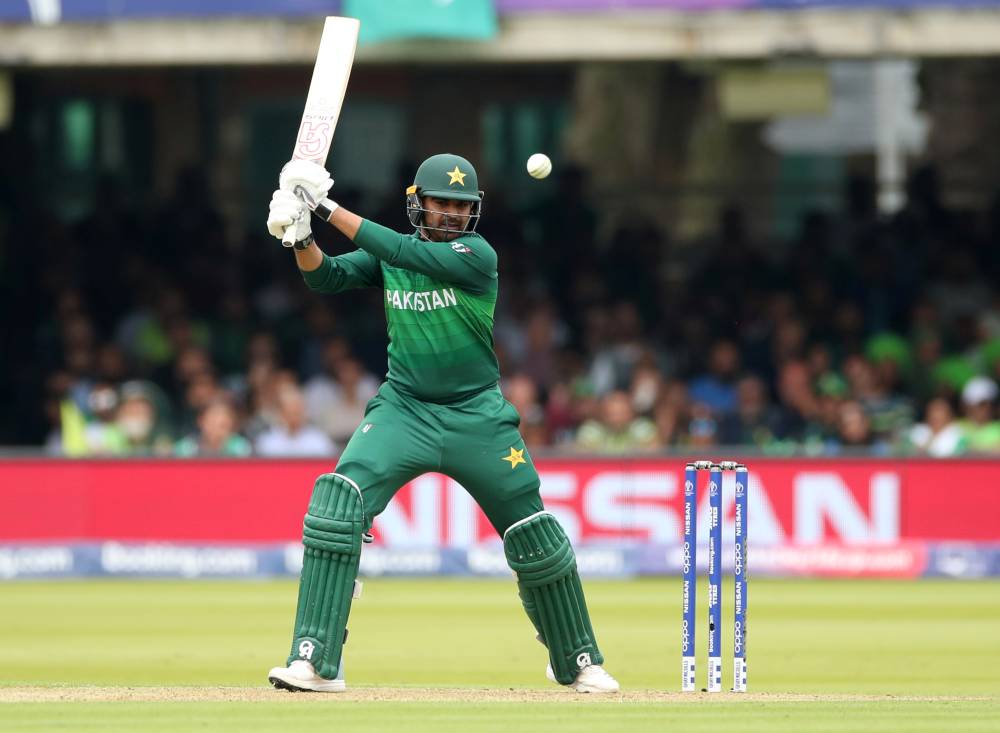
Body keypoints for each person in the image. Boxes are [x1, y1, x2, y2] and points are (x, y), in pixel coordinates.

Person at [264, 154, 618, 694]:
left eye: (461, 205)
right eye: (442, 203)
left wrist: (326, 205)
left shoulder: (477, 255)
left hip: (477, 415)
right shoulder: (392, 254)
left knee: (535, 534)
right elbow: (327, 279)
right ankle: (313, 660)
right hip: (404, 409)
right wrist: (299, 236)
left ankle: (578, 659)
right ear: (419, 203)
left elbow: (402, 250)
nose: (451, 213)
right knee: (337, 503)